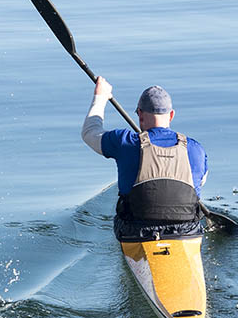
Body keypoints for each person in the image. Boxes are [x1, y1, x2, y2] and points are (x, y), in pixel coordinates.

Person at [81, 77, 208, 240]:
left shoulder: (125, 142)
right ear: (171, 115)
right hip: (187, 232)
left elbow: (89, 133)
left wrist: (100, 96)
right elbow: (200, 182)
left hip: (135, 232)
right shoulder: (195, 148)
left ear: (140, 115)